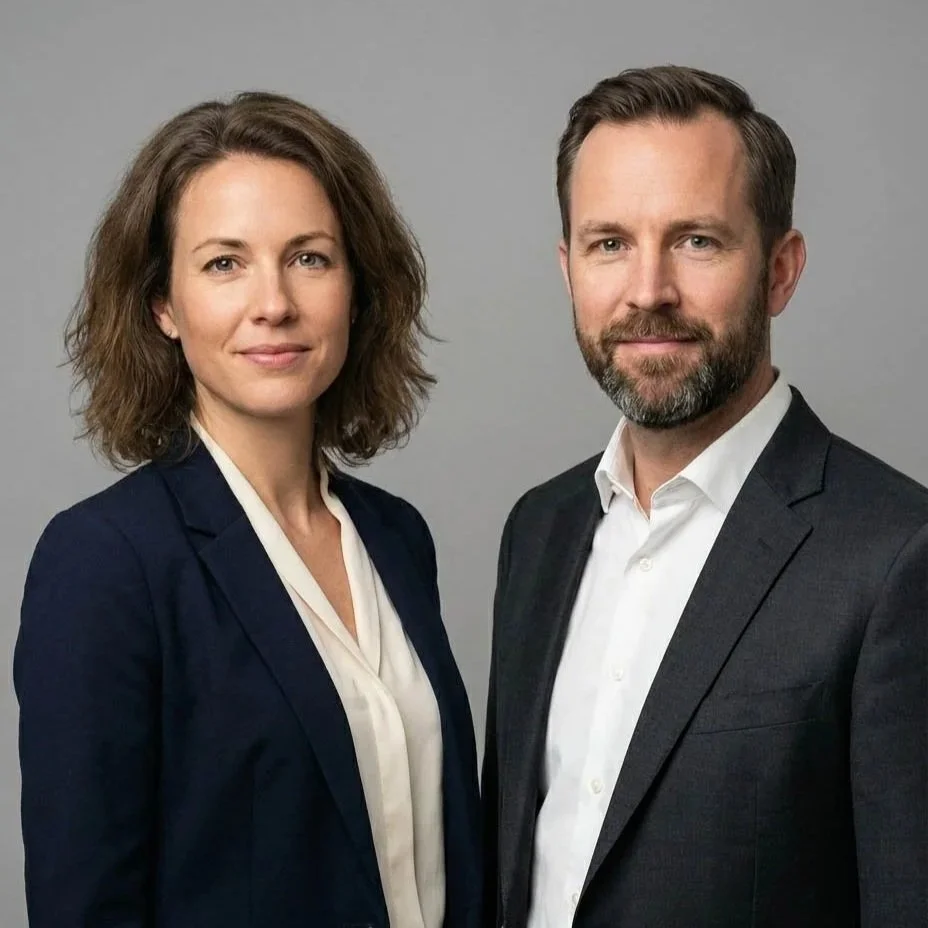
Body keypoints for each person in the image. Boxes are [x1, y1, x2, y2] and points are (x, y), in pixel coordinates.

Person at [15, 91, 481, 928]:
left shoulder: (397, 537)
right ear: (163, 304)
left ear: (356, 288)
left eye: (308, 258)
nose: (274, 303)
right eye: (224, 263)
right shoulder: (105, 561)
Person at [481, 65, 927, 927]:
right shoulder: (539, 530)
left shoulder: (897, 559)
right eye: (610, 243)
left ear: (781, 270)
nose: (648, 291)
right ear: (568, 267)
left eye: (697, 241)